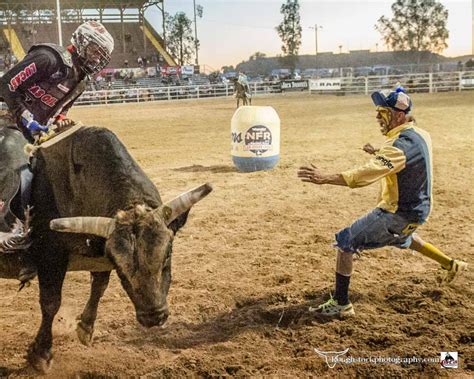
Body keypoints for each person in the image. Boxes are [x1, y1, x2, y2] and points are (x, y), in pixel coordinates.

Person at [297, 87, 467, 318]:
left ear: (398, 115)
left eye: (382, 112)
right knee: (405, 238)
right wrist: (378, 150)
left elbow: (366, 174)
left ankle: (341, 303)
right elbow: (404, 156)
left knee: (345, 241)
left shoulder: (399, 147)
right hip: (419, 210)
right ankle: (450, 263)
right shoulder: (419, 134)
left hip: (397, 213)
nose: (377, 117)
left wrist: (325, 178)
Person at [0, 20, 114, 283]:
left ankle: (33, 235)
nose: (98, 60)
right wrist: (24, 116)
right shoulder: (48, 58)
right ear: (82, 43)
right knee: (13, 153)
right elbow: (6, 83)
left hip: (32, 132)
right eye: (96, 51)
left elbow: (60, 107)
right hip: (7, 121)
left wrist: (60, 119)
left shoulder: (81, 82)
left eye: (102, 56)